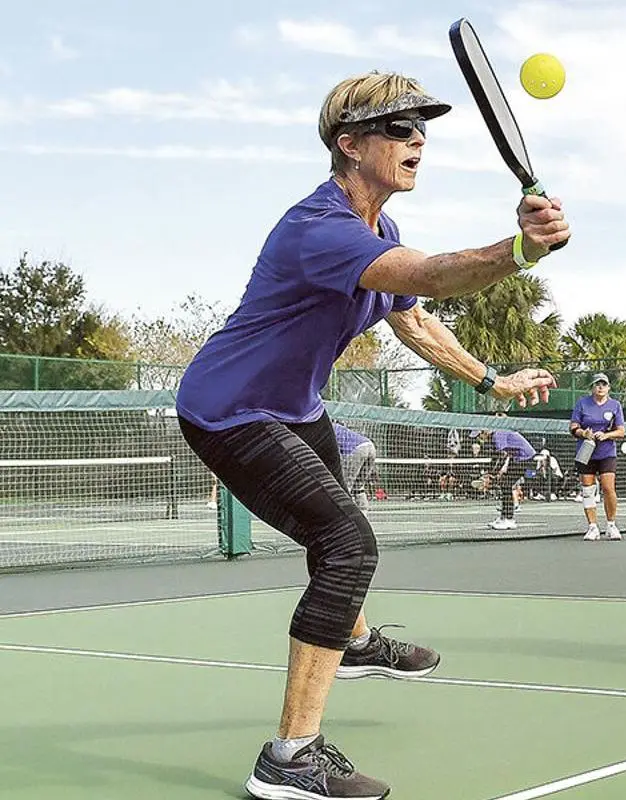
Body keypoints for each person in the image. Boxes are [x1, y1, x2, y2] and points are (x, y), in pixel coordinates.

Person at [174, 71, 568, 800]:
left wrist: (493, 382)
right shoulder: (319, 229)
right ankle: (289, 759)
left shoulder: (379, 229)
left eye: (422, 129)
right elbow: (432, 277)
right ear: (349, 145)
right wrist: (520, 249)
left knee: (339, 539)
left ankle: (352, 642)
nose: (417, 139)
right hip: (229, 410)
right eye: (398, 128)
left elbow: (413, 316)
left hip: (294, 407)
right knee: (347, 545)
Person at [569, 373, 626, 540]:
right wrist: (583, 433)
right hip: (586, 452)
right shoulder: (582, 404)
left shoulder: (615, 405)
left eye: (604, 384)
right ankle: (592, 527)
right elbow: (573, 427)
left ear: (608, 387)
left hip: (606, 453)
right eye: (597, 384)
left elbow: (621, 431)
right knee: (587, 490)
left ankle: (611, 524)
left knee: (608, 488)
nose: (600, 387)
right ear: (592, 387)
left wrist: (606, 435)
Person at [475, 428, 536, 529]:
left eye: (478, 436)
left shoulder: (498, 435)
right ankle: (504, 517)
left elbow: (502, 455)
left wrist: (492, 474)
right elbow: (495, 457)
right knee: (504, 485)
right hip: (516, 457)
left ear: (484, 432)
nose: (478, 438)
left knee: (506, 485)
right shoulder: (494, 438)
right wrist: (490, 474)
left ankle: (509, 519)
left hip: (526, 458)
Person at [333, 423, 377, 510]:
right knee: (358, 487)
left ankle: (345, 515)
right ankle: (364, 515)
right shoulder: (339, 427)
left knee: (345, 487)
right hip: (370, 445)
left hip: (356, 450)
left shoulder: (327, 429)